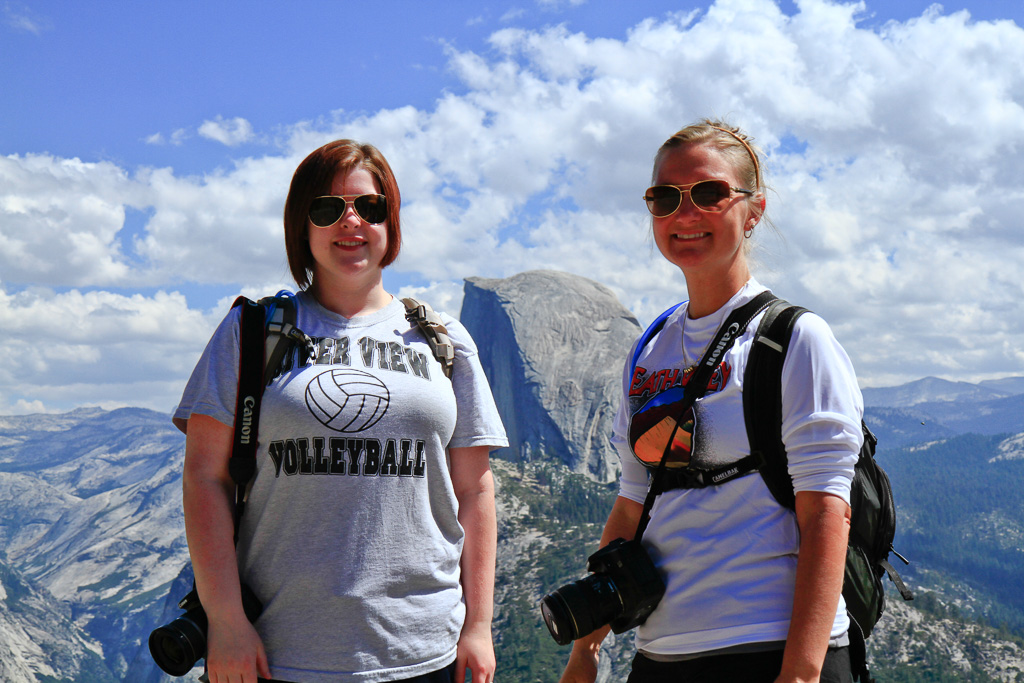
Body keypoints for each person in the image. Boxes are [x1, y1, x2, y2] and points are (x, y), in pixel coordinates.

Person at [173, 139, 508, 683]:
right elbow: (203, 478)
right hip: (281, 653)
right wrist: (226, 620)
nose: (350, 222)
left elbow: (474, 491)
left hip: (424, 650)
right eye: (327, 209)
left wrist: (480, 624)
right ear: (301, 227)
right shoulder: (249, 332)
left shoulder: (444, 341)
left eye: (369, 207)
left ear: (389, 222)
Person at [559, 120, 862, 683]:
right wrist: (586, 650)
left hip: (769, 647)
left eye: (709, 193)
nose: (685, 212)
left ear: (754, 210)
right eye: (664, 197)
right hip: (661, 654)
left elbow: (825, 512)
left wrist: (799, 674)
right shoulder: (648, 348)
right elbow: (631, 506)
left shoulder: (793, 338)